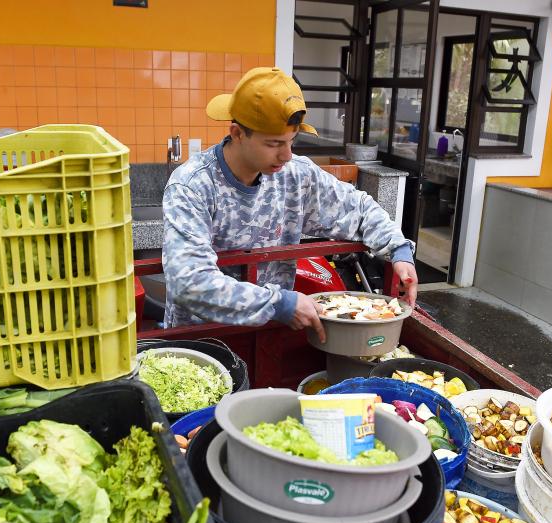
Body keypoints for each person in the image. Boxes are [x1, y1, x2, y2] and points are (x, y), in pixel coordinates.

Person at [161, 67, 418, 341]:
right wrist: (278, 303)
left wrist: (398, 249)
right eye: (273, 143)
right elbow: (189, 282)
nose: (286, 154)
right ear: (237, 133)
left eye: (291, 141)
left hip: (269, 334)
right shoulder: (193, 185)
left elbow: (359, 208)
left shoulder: (295, 175)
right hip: (202, 342)